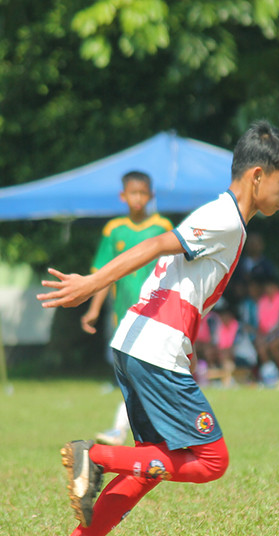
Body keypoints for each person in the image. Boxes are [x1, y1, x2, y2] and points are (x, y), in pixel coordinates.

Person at [38, 120, 279, 536]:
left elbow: (176, 277)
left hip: (142, 344)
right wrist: (92, 284)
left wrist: (187, 340)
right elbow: (157, 244)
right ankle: (94, 456)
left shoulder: (227, 220)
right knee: (212, 459)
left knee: (152, 461)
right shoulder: (223, 218)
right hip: (153, 349)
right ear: (257, 176)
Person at [80, 171, 173, 445]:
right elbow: (103, 275)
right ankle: (135, 429)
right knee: (136, 374)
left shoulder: (162, 227)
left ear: (151, 196)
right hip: (124, 316)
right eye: (133, 193)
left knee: (147, 373)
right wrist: (94, 309)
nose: (138, 198)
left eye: (143, 193)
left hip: (157, 314)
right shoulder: (114, 230)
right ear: (123, 196)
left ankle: (124, 428)